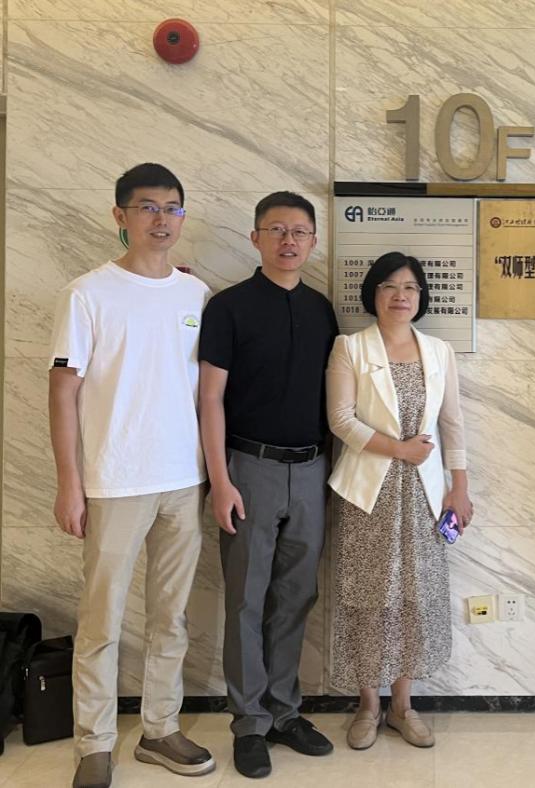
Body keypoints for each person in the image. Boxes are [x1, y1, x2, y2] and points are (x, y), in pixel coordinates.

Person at [49, 163, 215, 788]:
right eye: (148, 207)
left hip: (183, 479)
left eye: (172, 208)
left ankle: (159, 728)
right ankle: (93, 744)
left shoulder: (195, 295)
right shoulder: (87, 293)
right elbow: (62, 391)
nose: (161, 219)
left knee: (170, 617)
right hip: (113, 481)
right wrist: (69, 484)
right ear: (120, 215)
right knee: (101, 619)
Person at [198, 192, 338, 779]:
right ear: (255, 238)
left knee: (295, 597)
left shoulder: (322, 310)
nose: (289, 240)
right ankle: (249, 723)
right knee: (246, 599)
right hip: (247, 469)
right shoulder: (229, 307)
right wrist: (220, 480)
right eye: (277, 230)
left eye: (300, 232)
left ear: (313, 242)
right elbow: (209, 398)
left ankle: (285, 711)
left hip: (310, 471)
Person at [325, 252, 472, 751]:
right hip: (368, 493)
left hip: (425, 495)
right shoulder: (350, 347)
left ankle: (403, 706)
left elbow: (452, 423)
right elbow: (341, 420)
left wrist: (459, 486)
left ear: (420, 296)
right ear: (374, 293)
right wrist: (399, 449)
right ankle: (368, 705)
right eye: (389, 286)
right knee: (369, 597)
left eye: (410, 287)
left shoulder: (439, 351)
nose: (400, 295)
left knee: (414, 596)